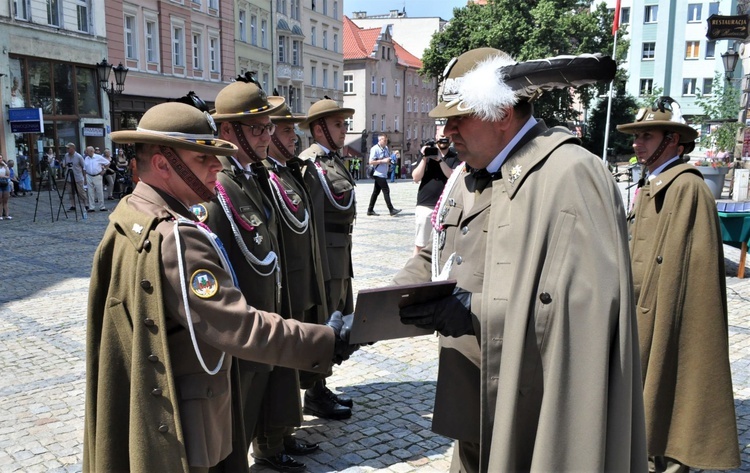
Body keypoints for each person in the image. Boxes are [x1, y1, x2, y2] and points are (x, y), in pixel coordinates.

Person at [393, 47, 646, 471]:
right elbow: (435, 254)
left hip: (534, 399)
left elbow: (586, 308)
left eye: (460, 116)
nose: (448, 129)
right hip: (473, 393)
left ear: (504, 110)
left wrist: (475, 311)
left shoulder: (570, 172)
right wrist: (379, 305)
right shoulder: (465, 174)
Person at [83, 102, 357, 472]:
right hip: (187, 422)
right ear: (164, 164)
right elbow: (236, 325)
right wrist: (324, 340)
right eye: (202, 158)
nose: (217, 165)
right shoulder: (178, 237)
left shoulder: (131, 213)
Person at [617, 97, 741, 472]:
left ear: (674, 141)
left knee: (672, 387)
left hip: (666, 312)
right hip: (643, 310)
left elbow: (694, 269)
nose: (637, 144)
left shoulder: (687, 188)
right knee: (644, 398)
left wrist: (664, 314)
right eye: (636, 136)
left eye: (647, 136)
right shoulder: (655, 183)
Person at [203, 79, 313, 473]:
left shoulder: (251, 177)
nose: (267, 136)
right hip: (244, 320)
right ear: (228, 132)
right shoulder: (218, 187)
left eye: (269, 128)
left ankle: (270, 445)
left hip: (268, 308)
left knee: (266, 396)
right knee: (239, 413)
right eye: (258, 128)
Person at [298, 98, 358, 420]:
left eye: (344, 124)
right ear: (319, 128)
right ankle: (315, 392)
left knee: (336, 320)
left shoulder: (333, 161)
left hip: (340, 258)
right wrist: (318, 271)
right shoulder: (311, 164)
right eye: (338, 124)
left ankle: (320, 387)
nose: (344, 130)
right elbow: (313, 224)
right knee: (324, 321)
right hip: (326, 261)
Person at [411, 130, 459, 255]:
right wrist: (424, 159)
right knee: (420, 244)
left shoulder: (455, 156)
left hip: (447, 206)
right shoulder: (427, 154)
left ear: (451, 139)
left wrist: (440, 159)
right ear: (436, 137)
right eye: (442, 136)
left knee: (444, 246)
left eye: (447, 137)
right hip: (426, 204)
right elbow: (415, 177)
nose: (444, 139)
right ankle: (415, 272)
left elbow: (452, 176)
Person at [366, 134, 401, 216]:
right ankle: (391, 209)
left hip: (383, 173)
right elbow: (371, 162)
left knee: (376, 192)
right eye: (384, 140)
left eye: (386, 140)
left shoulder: (386, 148)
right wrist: (382, 161)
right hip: (377, 173)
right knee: (386, 190)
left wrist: (391, 158)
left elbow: (387, 158)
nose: (386, 142)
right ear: (380, 140)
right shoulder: (374, 149)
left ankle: (370, 210)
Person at [62, 143, 87, 211]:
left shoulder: (78, 156)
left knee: (81, 192)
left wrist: (84, 177)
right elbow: (63, 164)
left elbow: (84, 166)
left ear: (73, 148)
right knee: (70, 192)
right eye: (67, 148)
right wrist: (64, 165)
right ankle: (73, 205)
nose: (67, 149)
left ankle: (86, 204)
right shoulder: (66, 155)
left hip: (77, 177)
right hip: (69, 177)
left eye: (68, 148)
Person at [83, 146, 109, 211]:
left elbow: (108, 163)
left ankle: (102, 207)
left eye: (87, 151)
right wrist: (85, 178)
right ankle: (91, 207)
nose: (86, 152)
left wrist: (104, 170)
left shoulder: (98, 157)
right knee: (90, 192)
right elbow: (84, 168)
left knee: (99, 191)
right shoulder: (86, 158)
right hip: (89, 176)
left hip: (97, 175)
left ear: (91, 151)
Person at [0, 155, 11, 219]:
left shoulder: (5, 166)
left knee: (5, 200)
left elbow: (8, 175)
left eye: (1, 158)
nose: (0, 159)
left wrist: (6, 165)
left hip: (5, 183)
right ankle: (0, 215)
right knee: (0, 200)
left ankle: (7, 215)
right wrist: (4, 176)